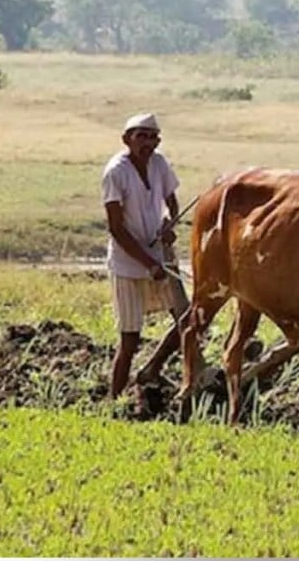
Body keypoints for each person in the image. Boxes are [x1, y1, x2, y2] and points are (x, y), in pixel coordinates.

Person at [101, 112, 190, 401]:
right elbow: (116, 227)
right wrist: (149, 264)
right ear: (127, 139)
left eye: (152, 137)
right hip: (129, 264)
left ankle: (153, 368)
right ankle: (113, 403)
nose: (148, 143)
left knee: (186, 321)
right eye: (141, 136)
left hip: (159, 257)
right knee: (129, 340)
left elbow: (172, 201)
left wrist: (170, 223)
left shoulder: (159, 163)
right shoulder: (116, 172)